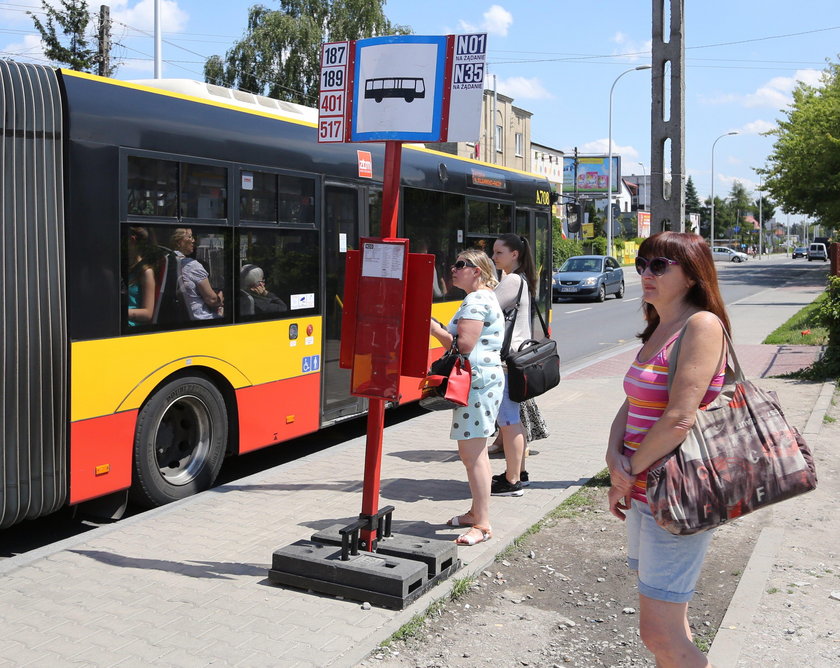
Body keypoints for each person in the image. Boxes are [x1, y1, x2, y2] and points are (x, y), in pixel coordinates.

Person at [605, 231, 729, 667]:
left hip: (675, 493)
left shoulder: (701, 325)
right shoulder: (661, 325)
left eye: (659, 266)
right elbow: (633, 399)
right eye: (642, 263)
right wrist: (612, 456)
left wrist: (628, 470)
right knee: (669, 628)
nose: (645, 273)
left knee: (656, 632)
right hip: (643, 488)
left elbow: (680, 416)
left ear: (693, 276)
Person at [429, 249, 504, 546]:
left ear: (478, 271)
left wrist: (433, 329)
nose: (454, 269)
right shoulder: (482, 298)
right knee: (475, 452)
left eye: (461, 265)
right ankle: (476, 512)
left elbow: (464, 345)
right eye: (454, 264)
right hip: (481, 381)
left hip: (477, 383)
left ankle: (483, 524)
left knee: (472, 455)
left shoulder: (476, 299)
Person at [489, 233, 538, 497]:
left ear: (514, 254)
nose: (493, 257)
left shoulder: (511, 280)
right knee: (512, 419)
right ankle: (519, 473)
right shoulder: (519, 279)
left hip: (507, 362)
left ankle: (512, 481)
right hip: (516, 359)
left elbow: (487, 308)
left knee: (508, 421)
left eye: (498, 253)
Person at [170, 228, 223, 320]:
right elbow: (212, 300)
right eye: (190, 237)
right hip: (201, 318)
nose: (193, 240)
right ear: (179, 242)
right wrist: (222, 294)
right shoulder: (192, 266)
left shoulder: (169, 261)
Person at [126, 226, 156, 326]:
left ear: (132, 240)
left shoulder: (146, 272)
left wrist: (120, 313)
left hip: (130, 328)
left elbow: (148, 313)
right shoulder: (124, 266)